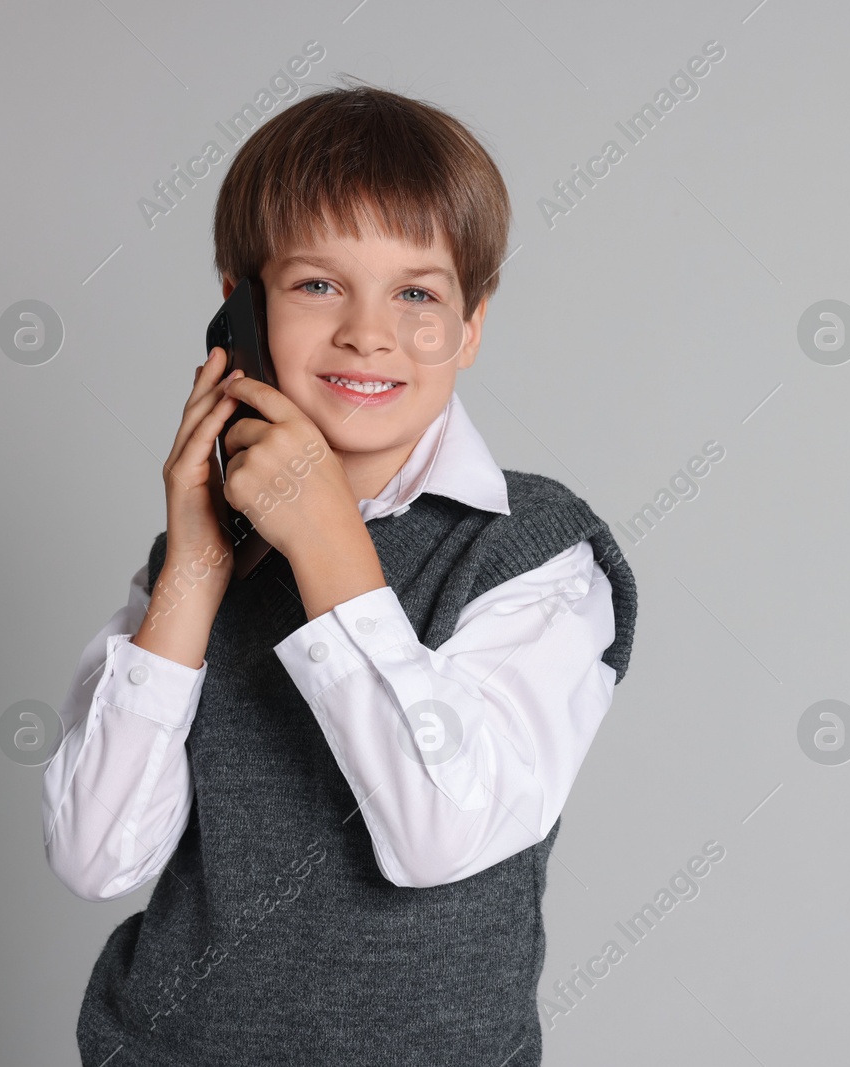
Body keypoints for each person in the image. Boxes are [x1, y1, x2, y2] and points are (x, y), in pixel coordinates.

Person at [40, 80, 637, 1066]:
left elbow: (437, 836)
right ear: (240, 305)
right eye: (319, 284)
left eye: (417, 292)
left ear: (471, 324)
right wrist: (192, 563)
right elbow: (95, 857)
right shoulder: (197, 558)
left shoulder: (537, 555)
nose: (369, 331)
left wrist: (326, 544)